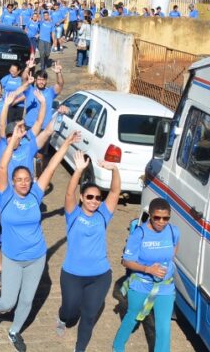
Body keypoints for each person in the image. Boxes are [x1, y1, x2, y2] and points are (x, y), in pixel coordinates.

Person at [0, 111, 76, 352]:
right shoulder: (5, 197)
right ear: (12, 183)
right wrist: (13, 140)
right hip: (12, 258)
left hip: (36, 257)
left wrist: (65, 144)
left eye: (27, 178)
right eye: (19, 179)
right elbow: (2, 165)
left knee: (26, 300)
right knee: (8, 300)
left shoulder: (35, 193)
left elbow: (52, 167)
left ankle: (14, 331)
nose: (24, 182)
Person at [55, 150, 122, 352]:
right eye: (89, 197)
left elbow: (115, 192)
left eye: (97, 197)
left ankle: (80, 349)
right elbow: (69, 193)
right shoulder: (73, 214)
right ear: (82, 198)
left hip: (100, 275)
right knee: (69, 310)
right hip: (72, 274)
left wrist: (115, 169)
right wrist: (78, 170)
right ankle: (62, 317)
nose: (94, 200)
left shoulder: (103, 215)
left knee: (90, 315)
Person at [113, 198, 180, 352]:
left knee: (164, 328)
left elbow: (174, 249)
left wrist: (165, 265)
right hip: (141, 284)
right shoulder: (139, 234)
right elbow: (126, 261)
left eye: (166, 218)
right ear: (150, 215)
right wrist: (148, 269)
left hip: (165, 287)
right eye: (157, 217)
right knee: (132, 317)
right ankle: (118, 345)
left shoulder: (173, 231)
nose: (161, 222)